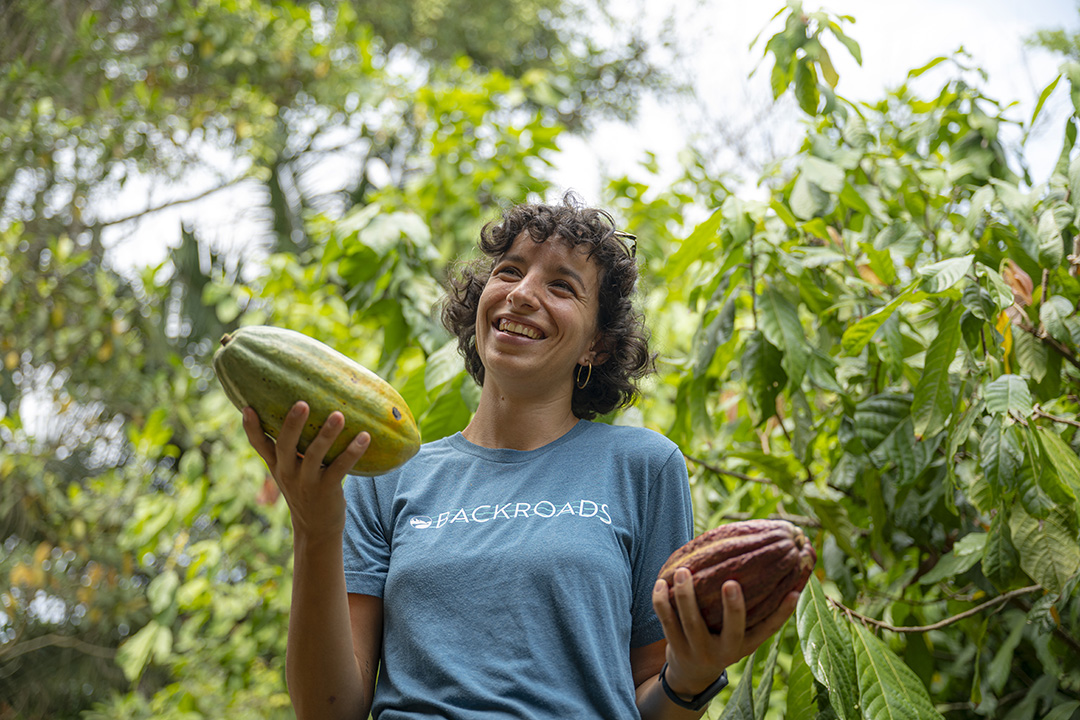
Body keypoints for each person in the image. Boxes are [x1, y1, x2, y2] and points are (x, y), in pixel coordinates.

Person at [242, 193, 798, 719]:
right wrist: (315, 529)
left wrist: (693, 675)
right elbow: (328, 709)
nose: (522, 292)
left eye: (561, 285)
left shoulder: (644, 466)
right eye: (509, 270)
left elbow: (652, 693)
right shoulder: (382, 472)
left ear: (597, 345)